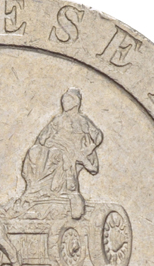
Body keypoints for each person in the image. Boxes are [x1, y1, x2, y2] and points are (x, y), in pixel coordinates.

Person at [10, 88, 103, 220]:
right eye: (63, 100)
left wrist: (89, 148)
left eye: (68, 100)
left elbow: (98, 136)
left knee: (55, 154)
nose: (64, 102)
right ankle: (34, 189)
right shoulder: (58, 120)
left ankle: (54, 189)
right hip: (55, 145)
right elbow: (42, 137)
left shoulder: (82, 120)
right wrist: (46, 142)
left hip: (72, 148)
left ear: (76, 103)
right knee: (34, 151)